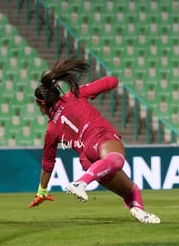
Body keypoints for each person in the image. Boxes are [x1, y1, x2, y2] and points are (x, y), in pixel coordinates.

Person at [28, 57, 160, 224]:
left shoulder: (51, 131)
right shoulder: (75, 94)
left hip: (88, 159)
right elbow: (111, 81)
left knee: (132, 190)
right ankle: (81, 183)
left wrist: (41, 191)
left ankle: (140, 212)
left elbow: (48, 164)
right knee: (117, 161)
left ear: (42, 105)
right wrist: (108, 84)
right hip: (99, 137)